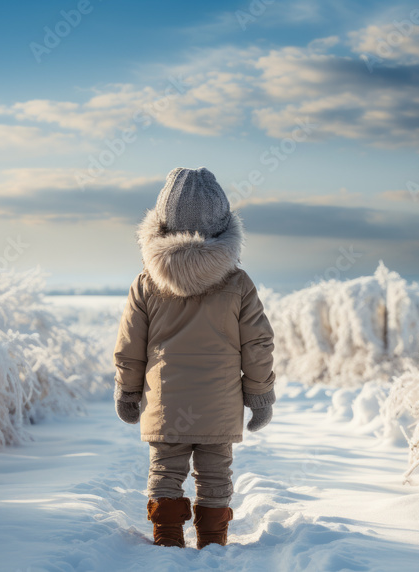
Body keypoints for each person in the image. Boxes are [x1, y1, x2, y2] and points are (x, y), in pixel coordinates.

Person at [113, 166, 276, 549]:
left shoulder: (146, 282)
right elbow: (258, 345)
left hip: (166, 402)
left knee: (165, 472)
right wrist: (259, 395)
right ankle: (213, 541)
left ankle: (167, 538)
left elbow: (130, 346)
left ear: (162, 225)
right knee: (216, 475)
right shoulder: (238, 283)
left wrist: (128, 391)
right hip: (219, 403)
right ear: (223, 227)